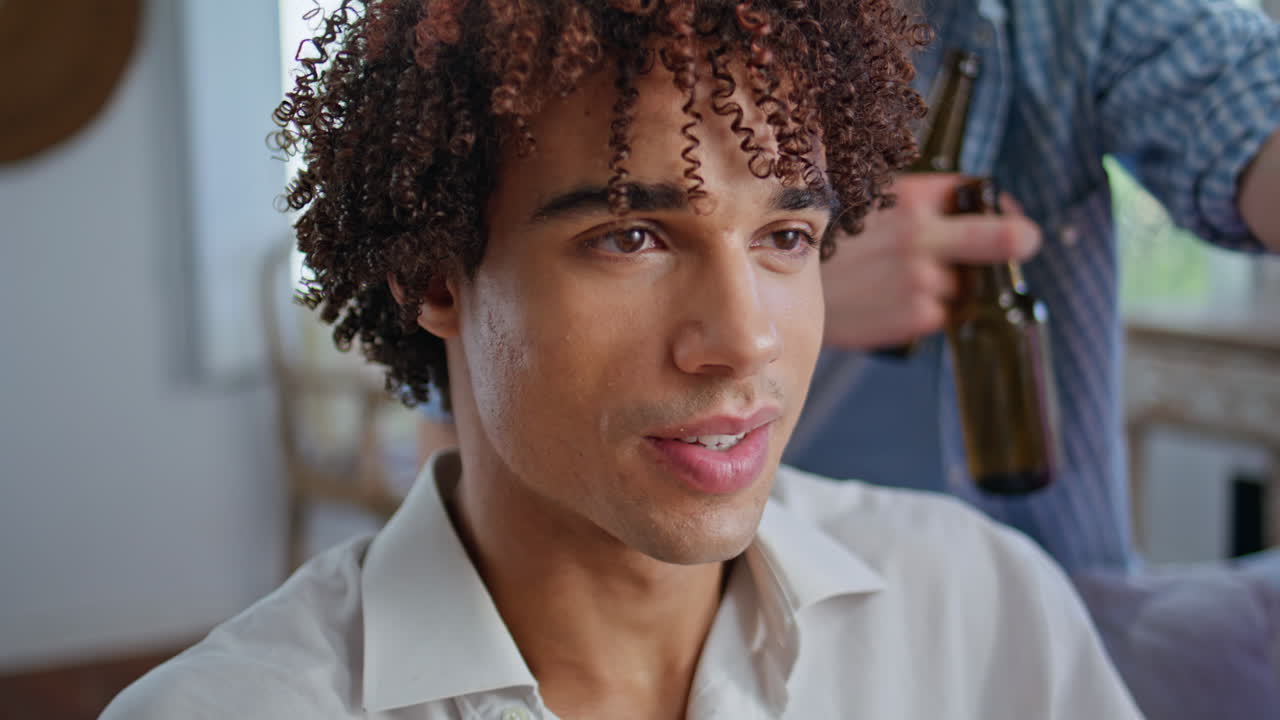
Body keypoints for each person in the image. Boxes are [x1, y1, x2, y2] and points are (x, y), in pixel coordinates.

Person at [103, 1, 1142, 718]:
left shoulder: (981, 609)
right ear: (433, 277)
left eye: (784, 237)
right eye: (630, 239)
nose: (744, 340)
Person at [780, 0, 1280, 575]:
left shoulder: (1062, 18)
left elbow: (1243, 103)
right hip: (774, 592)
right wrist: (794, 283)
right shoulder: (690, 36)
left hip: (1046, 594)